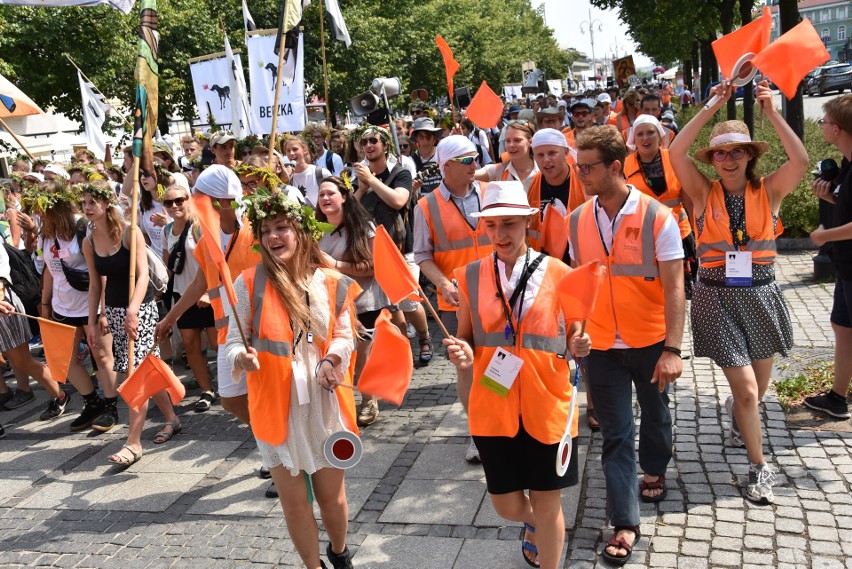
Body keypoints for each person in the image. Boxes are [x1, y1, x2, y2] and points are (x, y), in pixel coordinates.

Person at [668, 80, 808, 504]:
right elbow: (676, 151)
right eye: (721, 153)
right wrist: (715, 104)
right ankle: (759, 467)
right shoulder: (701, 191)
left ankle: (738, 418)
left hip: (761, 295)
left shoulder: (769, 191)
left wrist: (771, 113)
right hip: (714, 297)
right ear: (713, 160)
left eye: (737, 151)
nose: (729, 159)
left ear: (749, 157)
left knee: (756, 391)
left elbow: (801, 159)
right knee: (747, 391)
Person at [444, 180, 591, 569]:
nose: (499, 234)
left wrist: (580, 343)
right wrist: (461, 353)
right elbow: (465, 337)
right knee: (506, 505)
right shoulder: (471, 275)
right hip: (493, 404)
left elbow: (574, 331)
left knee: (548, 501)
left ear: (527, 223)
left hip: (549, 405)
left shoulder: (560, 272)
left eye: (508, 224)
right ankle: (535, 525)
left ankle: (548, 548)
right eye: (491, 226)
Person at [567, 125, 685, 565]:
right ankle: (625, 522)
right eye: (579, 167)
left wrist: (672, 349)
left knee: (656, 414)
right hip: (600, 345)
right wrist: (575, 331)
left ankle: (654, 469)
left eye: (589, 168)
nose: (581, 175)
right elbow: (579, 283)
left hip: (651, 340)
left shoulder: (658, 217)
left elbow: (676, 288)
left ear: (616, 167)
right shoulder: (576, 220)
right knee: (616, 434)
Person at [227, 189, 359, 569]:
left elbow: (344, 334)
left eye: (281, 227)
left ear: (301, 231)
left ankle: (338, 551)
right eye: (265, 229)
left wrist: (333, 359)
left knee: (331, 497)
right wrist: (242, 357)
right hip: (276, 407)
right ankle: (312, 566)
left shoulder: (331, 281)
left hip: (325, 402)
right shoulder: (248, 281)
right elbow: (234, 341)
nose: (272, 237)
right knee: (294, 501)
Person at [79, 180, 180, 464]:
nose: (87, 208)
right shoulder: (89, 240)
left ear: (107, 202)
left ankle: (133, 442)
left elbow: (143, 275)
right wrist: (91, 320)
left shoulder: (129, 232)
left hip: (142, 308)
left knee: (136, 373)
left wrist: (133, 310)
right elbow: (95, 285)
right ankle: (172, 418)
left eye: (92, 202)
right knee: (140, 368)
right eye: (84, 203)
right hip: (112, 310)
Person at [414, 135, 493, 463]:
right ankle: (478, 431)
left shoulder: (491, 193)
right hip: (456, 303)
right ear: (446, 166)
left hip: (496, 297)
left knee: (500, 362)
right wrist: (443, 284)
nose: (476, 165)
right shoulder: (426, 206)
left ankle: (498, 421)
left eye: (475, 158)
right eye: (467, 160)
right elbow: (422, 255)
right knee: (467, 367)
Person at [352, 126, 431, 423]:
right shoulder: (360, 178)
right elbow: (351, 211)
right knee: (388, 307)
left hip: (402, 251)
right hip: (373, 254)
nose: (369, 145)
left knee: (408, 302)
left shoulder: (400, 172)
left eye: (374, 141)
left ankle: (423, 336)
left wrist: (372, 180)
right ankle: (399, 352)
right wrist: (360, 187)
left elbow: (398, 201)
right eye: (364, 142)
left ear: (384, 146)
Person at [30, 183, 117, 430]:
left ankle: (111, 407)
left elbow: (101, 272)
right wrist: (45, 305)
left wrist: (102, 310)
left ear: (56, 206)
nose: (38, 214)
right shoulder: (47, 231)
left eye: (41, 209)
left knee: (101, 355)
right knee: (65, 359)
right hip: (61, 306)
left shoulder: (83, 228)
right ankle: (92, 403)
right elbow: (49, 270)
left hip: (90, 305)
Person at [318, 175, 391, 427]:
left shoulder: (363, 227)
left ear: (344, 197)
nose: (325, 198)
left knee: (361, 358)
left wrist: (336, 265)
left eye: (330, 193)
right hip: (330, 304)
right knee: (336, 355)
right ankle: (340, 403)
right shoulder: (316, 230)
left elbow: (374, 266)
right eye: (321, 195)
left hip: (363, 302)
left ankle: (368, 400)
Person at [807, 95, 852, 419]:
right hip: (845, 264)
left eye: (823, 121)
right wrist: (830, 199)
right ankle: (837, 397)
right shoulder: (847, 162)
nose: (820, 125)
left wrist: (824, 235)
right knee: (841, 326)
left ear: (836, 129)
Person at [624, 114, 696, 296]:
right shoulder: (625, 166)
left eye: (650, 133)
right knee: (649, 289)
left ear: (660, 136)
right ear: (634, 138)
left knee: (675, 289)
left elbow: (688, 199)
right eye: (640, 134)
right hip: (642, 237)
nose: (645, 138)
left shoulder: (674, 160)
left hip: (678, 233)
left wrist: (698, 231)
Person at [161, 182, 217, 412]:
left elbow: (214, 262)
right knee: (190, 345)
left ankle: (233, 386)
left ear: (188, 201)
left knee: (217, 344)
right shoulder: (167, 231)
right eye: (168, 202)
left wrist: (207, 292)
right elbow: (168, 264)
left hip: (208, 293)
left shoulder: (199, 226)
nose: (174, 206)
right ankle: (206, 391)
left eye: (179, 201)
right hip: (182, 295)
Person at [476, 120, 538, 190]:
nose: (511, 145)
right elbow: (468, 175)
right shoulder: (499, 171)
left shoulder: (543, 170)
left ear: (530, 142)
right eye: (507, 141)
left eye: (517, 140)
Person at [285, 136, 332, 208]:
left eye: (295, 149)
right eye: (288, 150)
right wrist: (285, 180)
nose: (291, 153)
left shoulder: (321, 173)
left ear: (305, 150)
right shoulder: (287, 178)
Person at [410, 117, 444, 195]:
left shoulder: (442, 155)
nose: (425, 140)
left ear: (434, 137)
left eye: (428, 136)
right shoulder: (410, 161)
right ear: (416, 138)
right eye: (421, 136)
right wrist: (413, 189)